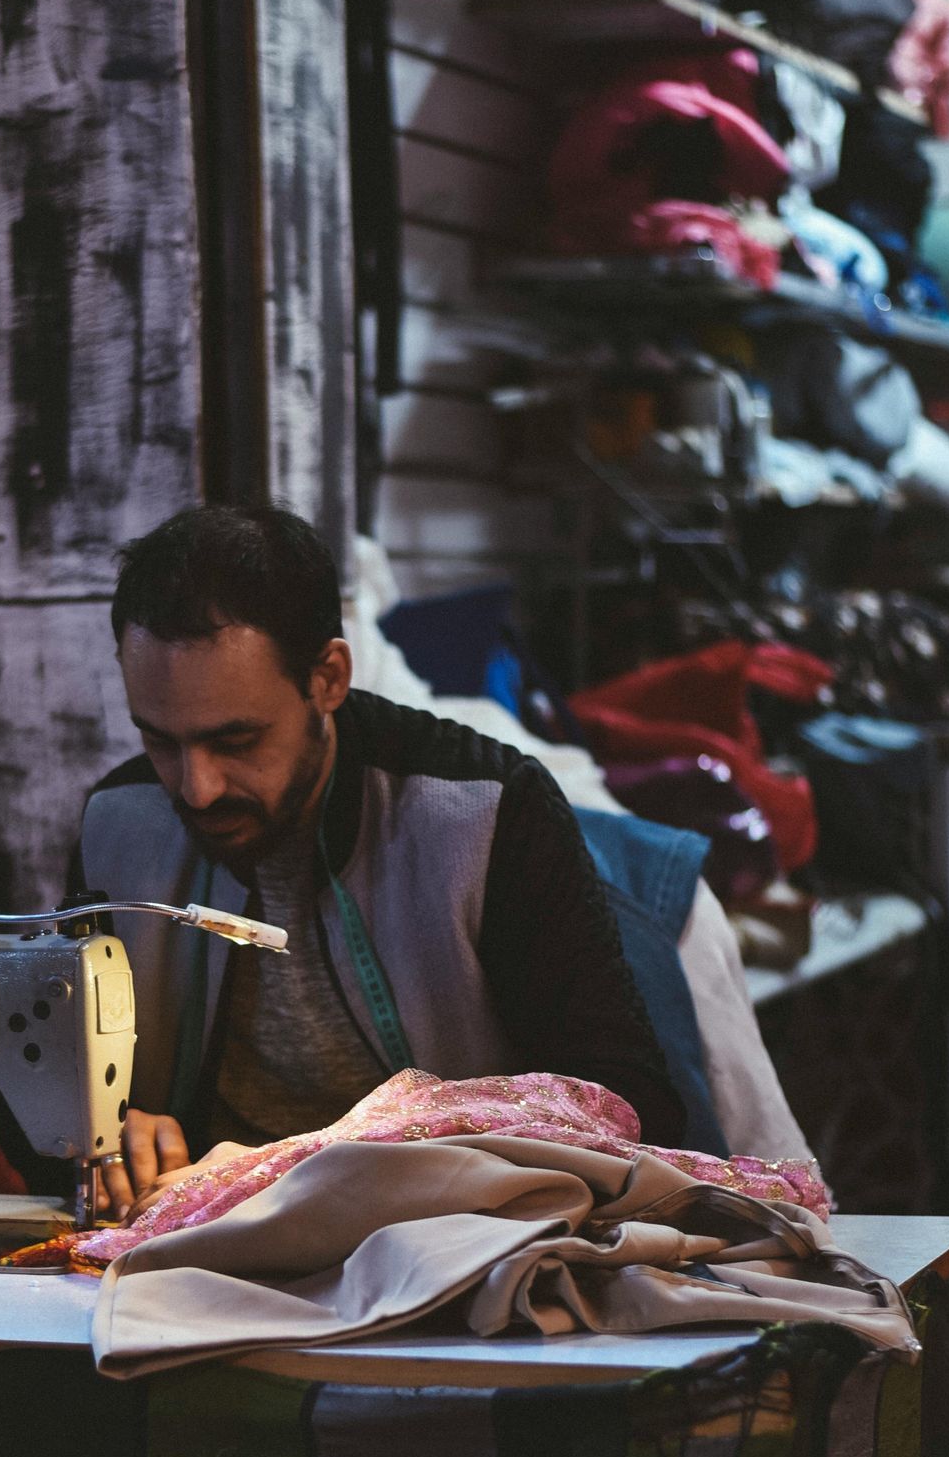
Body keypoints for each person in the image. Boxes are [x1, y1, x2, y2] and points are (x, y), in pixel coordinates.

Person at [73, 503, 687, 1219]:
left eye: (237, 742)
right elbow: (42, 1109)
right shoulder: (117, 824)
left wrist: (292, 1169)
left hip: (447, 1237)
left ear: (329, 678)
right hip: (206, 1241)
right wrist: (104, 1135)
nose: (196, 786)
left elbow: (622, 1109)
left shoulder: (485, 813)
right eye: (160, 741)